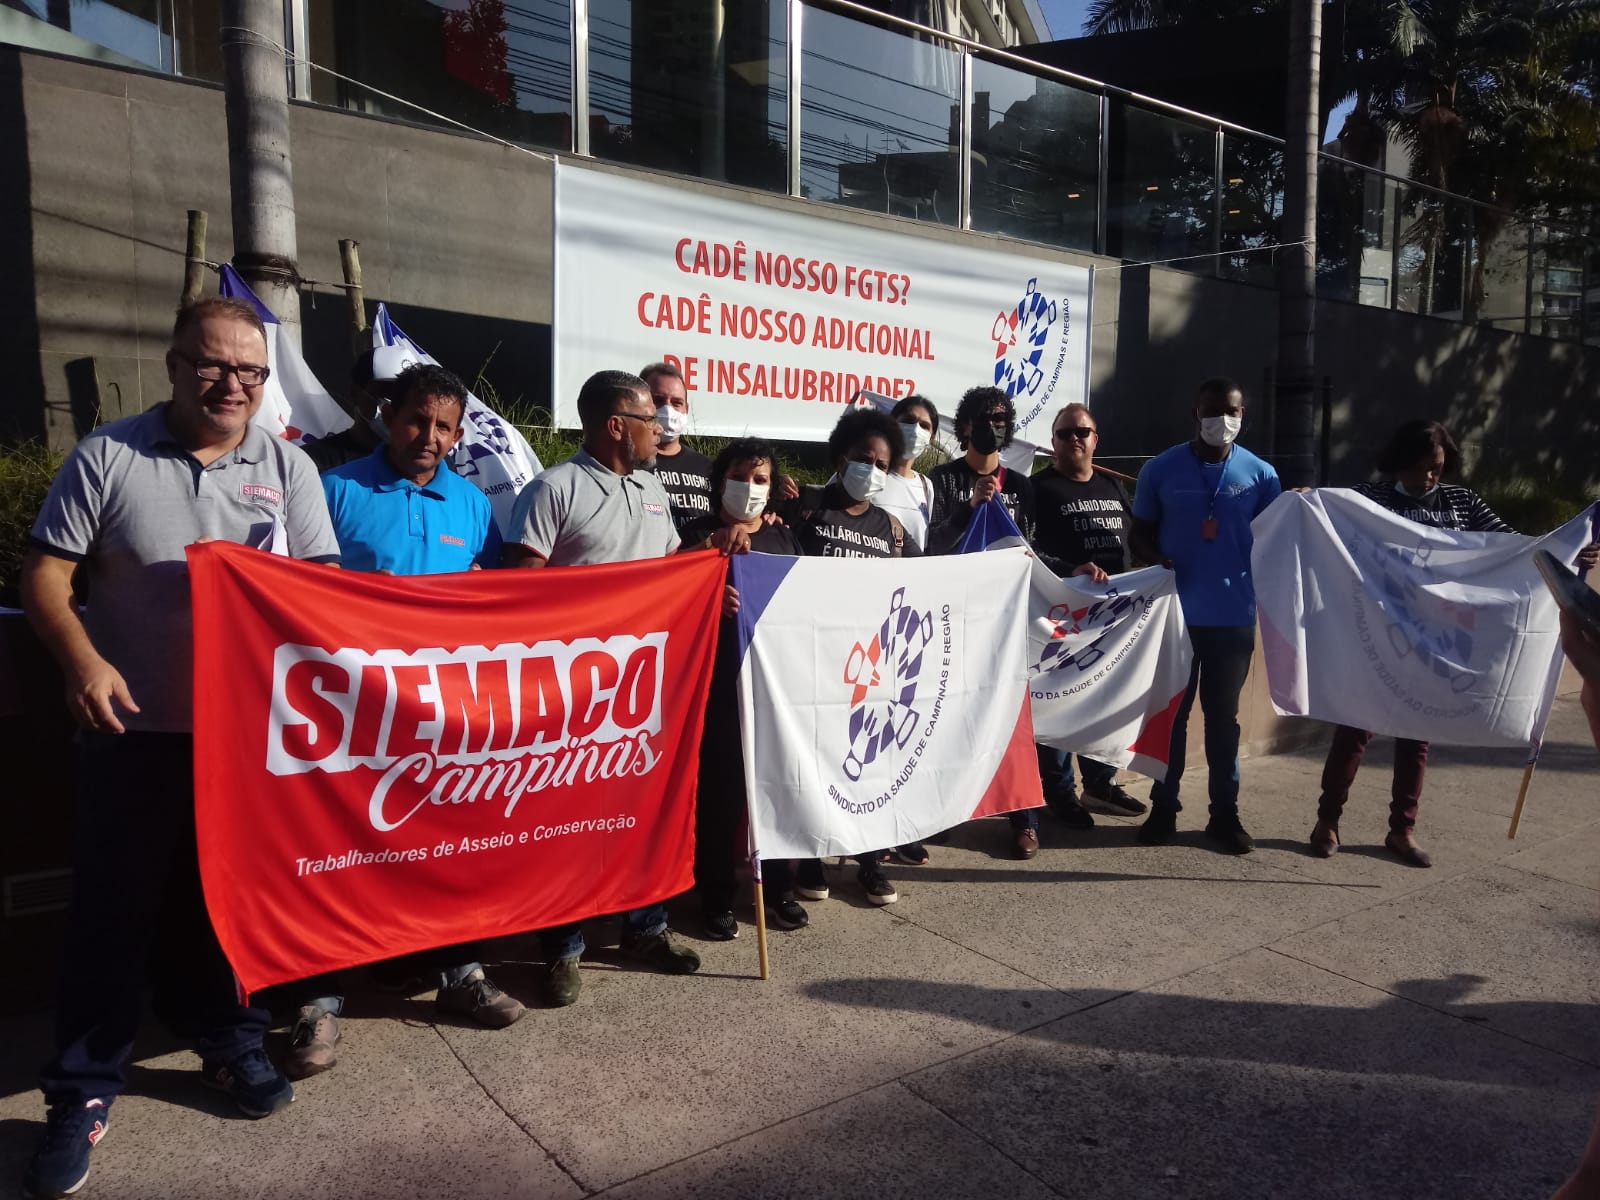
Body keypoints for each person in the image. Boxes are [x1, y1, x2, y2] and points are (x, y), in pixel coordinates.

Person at [18, 297, 342, 1199]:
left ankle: (229, 1044)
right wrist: (81, 659)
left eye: (249, 371)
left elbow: (316, 593)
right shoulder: (109, 454)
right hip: (130, 733)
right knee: (110, 920)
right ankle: (81, 1091)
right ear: (173, 363)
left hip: (244, 749)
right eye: (212, 364)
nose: (231, 383)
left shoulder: (287, 466)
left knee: (222, 910)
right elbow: (47, 571)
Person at [282, 363, 521, 1082]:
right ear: (390, 415)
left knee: (448, 847)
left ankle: (461, 971)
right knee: (334, 853)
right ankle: (318, 1001)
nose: (430, 437)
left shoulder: (473, 506)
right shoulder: (336, 489)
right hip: (347, 717)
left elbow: (487, 606)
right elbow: (294, 593)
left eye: (445, 426)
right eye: (418, 420)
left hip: (441, 719)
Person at [1308, 420, 1600, 868]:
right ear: (1401, 463)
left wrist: (1571, 552)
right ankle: (1327, 821)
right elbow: (1329, 521)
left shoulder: (1462, 502)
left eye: (1438, 468)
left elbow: (1516, 551)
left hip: (1437, 639)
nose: (1430, 478)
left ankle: (1402, 830)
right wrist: (1305, 503)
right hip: (1379, 634)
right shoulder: (1372, 499)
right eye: (1423, 468)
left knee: (1417, 735)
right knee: (1354, 727)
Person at [502, 370, 701, 1006]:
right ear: (617, 426)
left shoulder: (651, 487)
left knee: (644, 813)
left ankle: (647, 927)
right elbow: (523, 592)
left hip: (645, 689)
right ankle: (563, 946)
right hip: (574, 697)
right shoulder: (553, 489)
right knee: (569, 823)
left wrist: (716, 560)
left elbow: (673, 572)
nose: (660, 427)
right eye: (649, 417)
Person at [1129, 377, 1282, 854]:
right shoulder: (1161, 469)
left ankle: (1224, 815)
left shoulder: (1261, 475)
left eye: (1231, 412)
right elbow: (1139, 535)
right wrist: (1157, 559)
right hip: (1173, 617)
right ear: (1196, 414)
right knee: (1170, 717)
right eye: (1213, 412)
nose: (1223, 422)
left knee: (1223, 720)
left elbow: (1280, 540)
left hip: (1233, 619)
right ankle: (1164, 808)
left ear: (1243, 415)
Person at [785, 406, 918, 903]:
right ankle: (812, 861)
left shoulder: (892, 528)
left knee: (868, 766)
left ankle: (869, 861)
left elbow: (920, 585)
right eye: (864, 458)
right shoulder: (807, 507)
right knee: (818, 762)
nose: (873, 470)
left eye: (883, 463)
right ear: (841, 458)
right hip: (815, 663)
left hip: (872, 669)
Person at [679, 438, 809, 939]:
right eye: (741, 477)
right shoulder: (694, 534)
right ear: (720, 482)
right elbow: (667, 591)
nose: (750, 489)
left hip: (776, 691)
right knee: (721, 796)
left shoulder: (785, 539)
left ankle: (779, 889)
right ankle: (715, 895)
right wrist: (706, 590)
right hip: (716, 690)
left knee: (778, 791)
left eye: (760, 481)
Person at [926, 386, 1045, 859]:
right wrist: (968, 508)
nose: (995, 425)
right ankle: (942, 810)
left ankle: (1024, 819)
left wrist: (1073, 573)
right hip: (956, 619)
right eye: (985, 417)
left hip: (1007, 624)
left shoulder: (1021, 486)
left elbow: (1031, 551)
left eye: (1002, 418)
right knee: (949, 717)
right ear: (967, 425)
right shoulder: (941, 479)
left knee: (1014, 721)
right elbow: (931, 544)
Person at [1031, 402, 1148, 822]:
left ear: (1096, 439)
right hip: (1060, 617)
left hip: (1112, 619)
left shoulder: (1113, 488)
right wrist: (1070, 570)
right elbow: (1026, 550)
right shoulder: (1038, 489)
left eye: (1082, 431)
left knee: (1103, 700)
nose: (1074, 439)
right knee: (1059, 703)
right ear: (1053, 442)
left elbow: (1136, 542)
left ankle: (1100, 786)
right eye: (1065, 434)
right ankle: (1059, 793)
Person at [302, 344, 412, 473]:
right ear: (355, 393)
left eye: (406, 396)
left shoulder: (425, 463)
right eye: (387, 392)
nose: (395, 407)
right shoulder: (313, 461)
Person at [639, 361, 714, 529]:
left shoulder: (709, 469)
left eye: (676, 402)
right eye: (658, 400)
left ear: (686, 409)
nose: (668, 409)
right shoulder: (627, 467)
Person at [876, 394, 940, 551]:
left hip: (912, 575)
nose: (915, 429)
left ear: (931, 438)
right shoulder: (865, 473)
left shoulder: (926, 487)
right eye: (908, 421)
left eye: (924, 426)